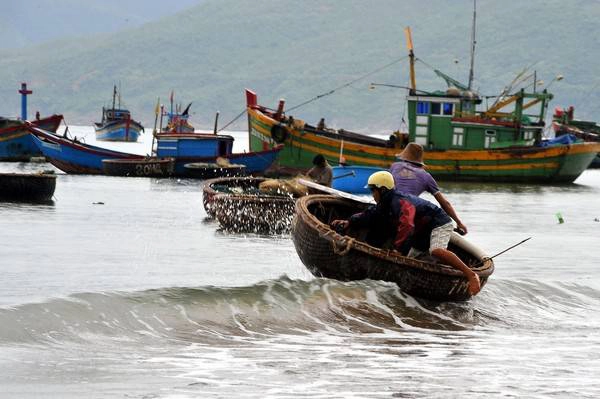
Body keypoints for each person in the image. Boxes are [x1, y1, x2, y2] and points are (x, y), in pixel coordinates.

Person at [331, 171, 480, 295]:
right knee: (407, 265)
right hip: (421, 233)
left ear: (382, 190)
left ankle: (470, 275)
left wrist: (398, 250)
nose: (372, 194)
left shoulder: (400, 202)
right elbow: (369, 215)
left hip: (439, 223)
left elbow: (407, 225)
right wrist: (349, 221)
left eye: (373, 191)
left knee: (436, 251)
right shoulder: (384, 203)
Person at [390, 143, 468, 235]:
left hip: (390, 208)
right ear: (420, 162)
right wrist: (459, 223)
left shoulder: (395, 166)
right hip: (406, 212)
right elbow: (444, 203)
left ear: (404, 157)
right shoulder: (426, 176)